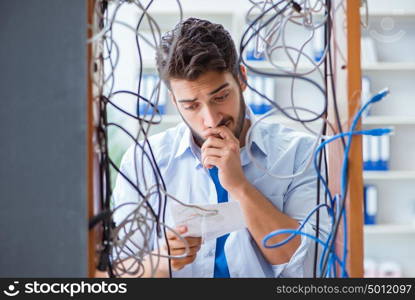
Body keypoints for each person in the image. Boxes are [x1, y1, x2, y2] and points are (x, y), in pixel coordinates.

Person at [112, 17, 330, 278]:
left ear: (242, 79)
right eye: (192, 106)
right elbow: (115, 273)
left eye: (220, 97)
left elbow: (310, 267)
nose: (211, 119)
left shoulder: (300, 153)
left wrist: (240, 187)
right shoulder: (143, 160)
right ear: (174, 100)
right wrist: (160, 262)